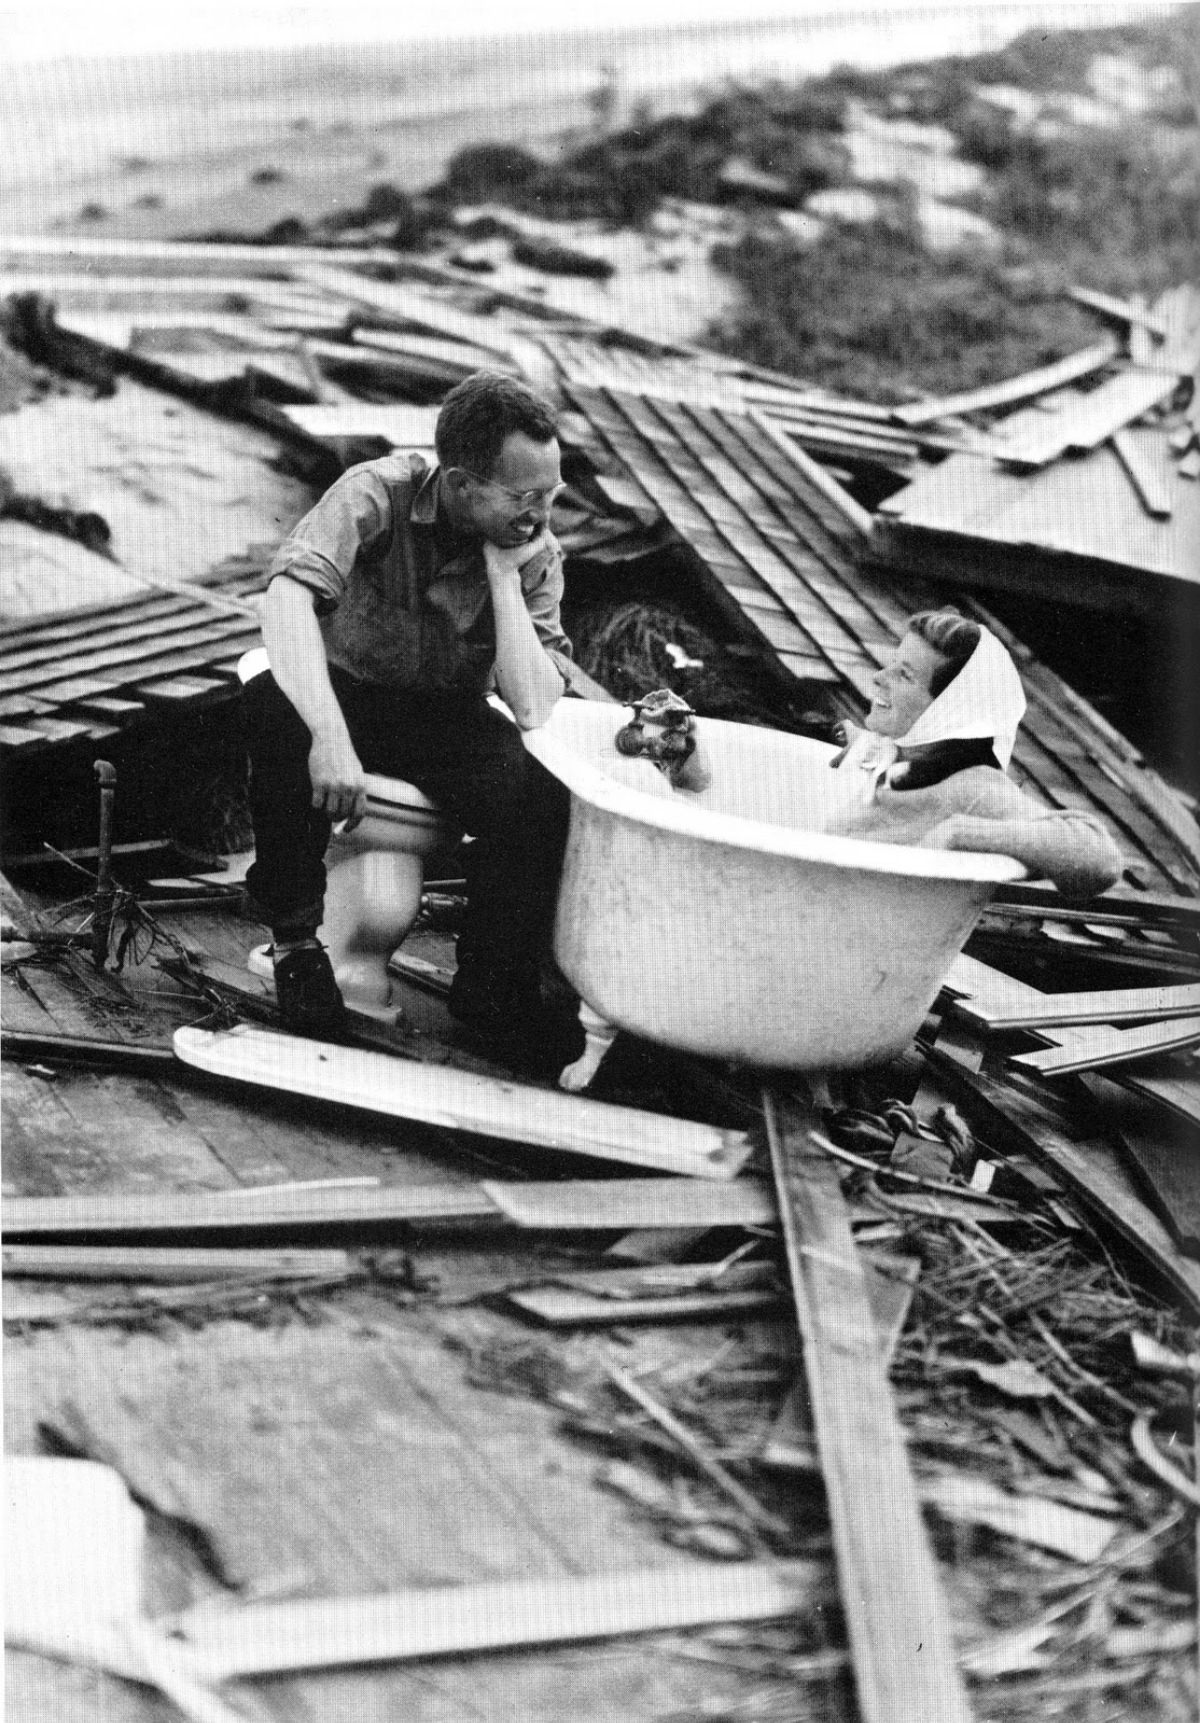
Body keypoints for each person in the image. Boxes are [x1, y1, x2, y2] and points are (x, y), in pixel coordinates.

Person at [242, 368, 583, 1070]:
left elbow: (532, 703)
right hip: (344, 691)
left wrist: (502, 577)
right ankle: (297, 943)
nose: (541, 514)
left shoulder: (533, 551)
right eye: (523, 497)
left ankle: (491, 982)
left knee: (540, 790)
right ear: (459, 484)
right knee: (275, 713)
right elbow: (285, 599)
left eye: (551, 494)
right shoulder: (376, 492)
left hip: (441, 714)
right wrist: (330, 739)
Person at [823, 609, 1122, 900]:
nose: (878, 677)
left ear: (948, 712)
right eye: (892, 664)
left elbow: (1099, 856)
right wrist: (859, 742)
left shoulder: (976, 788)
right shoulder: (900, 760)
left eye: (904, 675)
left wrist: (960, 832)